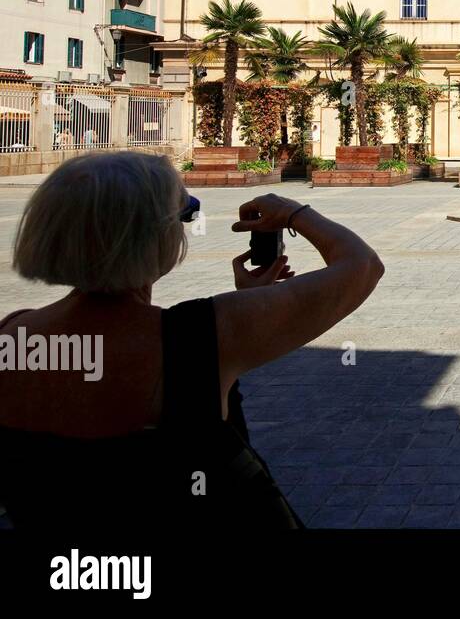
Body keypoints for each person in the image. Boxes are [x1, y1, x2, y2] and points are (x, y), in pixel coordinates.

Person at [0, 151, 385, 528]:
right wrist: (293, 212)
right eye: (181, 218)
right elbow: (363, 266)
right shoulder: (202, 334)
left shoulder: (12, 335)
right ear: (156, 237)